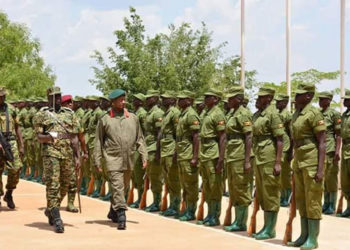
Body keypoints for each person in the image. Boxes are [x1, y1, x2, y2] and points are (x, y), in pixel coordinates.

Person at [94, 89, 147, 230]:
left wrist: (144, 155)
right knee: (117, 186)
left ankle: (113, 210)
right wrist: (97, 160)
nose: (123, 102)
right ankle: (122, 215)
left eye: (124, 99)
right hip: (112, 158)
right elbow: (98, 141)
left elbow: (140, 138)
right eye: (120, 100)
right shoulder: (105, 119)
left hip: (129, 158)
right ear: (113, 102)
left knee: (124, 188)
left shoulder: (133, 118)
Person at [34, 86, 81, 233]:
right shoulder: (42, 115)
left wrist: (78, 156)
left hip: (67, 153)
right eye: (55, 97)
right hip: (51, 153)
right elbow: (39, 137)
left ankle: (50, 209)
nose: (58, 99)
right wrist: (49, 137)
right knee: (53, 185)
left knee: (65, 184)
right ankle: (57, 217)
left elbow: (74, 137)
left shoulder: (69, 114)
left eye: (59, 96)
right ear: (49, 99)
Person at [288, 83, 326, 249]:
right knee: (301, 199)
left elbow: (322, 142)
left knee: (313, 200)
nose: (296, 98)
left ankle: (313, 238)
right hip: (299, 158)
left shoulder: (314, 113)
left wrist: (320, 169)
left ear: (309, 96)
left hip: (311, 158)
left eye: (300, 95)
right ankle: (304, 235)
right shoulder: (297, 113)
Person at [252, 87, 284, 240]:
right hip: (259, 155)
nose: (258, 99)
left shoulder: (273, 114)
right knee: (263, 192)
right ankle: (266, 226)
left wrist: (278, 162)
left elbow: (279, 140)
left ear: (270, 98)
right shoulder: (257, 115)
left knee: (270, 192)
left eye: (262, 97)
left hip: (269, 156)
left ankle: (270, 228)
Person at [224, 85, 253, 232]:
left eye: (231, 98)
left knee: (241, 188)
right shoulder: (232, 113)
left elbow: (248, 137)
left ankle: (241, 222)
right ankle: (237, 219)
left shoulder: (243, 114)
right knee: (234, 188)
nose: (228, 100)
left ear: (239, 99)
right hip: (232, 154)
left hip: (240, 155)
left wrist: (247, 160)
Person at [199, 88, 226, 226]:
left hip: (213, 151)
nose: (205, 99)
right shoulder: (206, 112)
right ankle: (209, 214)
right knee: (207, 185)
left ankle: (215, 216)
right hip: (204, 151)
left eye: (209, 97)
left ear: (216, 99)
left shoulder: (218, 114)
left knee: (215, 185)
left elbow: (222, 137)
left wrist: (221, 159)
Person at [176, 90, 200, 221]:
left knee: (191, 184)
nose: (179, 101)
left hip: (188, 153)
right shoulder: (183, 114)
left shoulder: (191, 115)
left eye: (182, 99)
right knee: (184, 184)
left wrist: (195, 157)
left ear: (189, 101)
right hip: (182, 152)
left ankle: (191, 211)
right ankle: (186, 209)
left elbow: (196, 137)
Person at [0, 86, 24, 209]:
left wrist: (21, 145)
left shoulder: (11, 109)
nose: (1, 98)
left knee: (16, 168)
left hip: (11, 141)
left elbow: (18, 127)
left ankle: (9, 193)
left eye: (3, 96)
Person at [318, 91, 341, 215]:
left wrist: (337, 151)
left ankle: (332, 204)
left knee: (331, 178)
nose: (320, 101)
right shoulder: (318, 114)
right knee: (324, 178)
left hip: (331, 149)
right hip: (321, 150)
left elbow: (338, 135)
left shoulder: (334, 114)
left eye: (322, 99)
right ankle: (326, 203)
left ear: (329, 100)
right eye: (319, 99)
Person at [159, 91, 181, 217]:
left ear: (173, 100)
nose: (163, 100)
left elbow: (178, 134)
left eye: (166, 99)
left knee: (173, 178)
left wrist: (175, 151)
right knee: (168, 178)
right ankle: (172, 204)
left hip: (171, 146)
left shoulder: (175, 113)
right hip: (165, 146)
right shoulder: (166, 113)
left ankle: (175, 206)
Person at [143, 90, 164, 212]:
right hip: (148, 147)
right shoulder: (150, 113)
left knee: (156, 176)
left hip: (153, 148)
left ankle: (157, 202)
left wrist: (157, 151)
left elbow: (160, 133)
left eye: (149, 98)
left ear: (155, 99)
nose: (147, 100)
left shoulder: (157, 113)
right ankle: (155, 201)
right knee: (151, 175)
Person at [129, 93, 147, 208]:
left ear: (140, 102)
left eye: (135, 100)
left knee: (139, 175)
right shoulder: (135, 113)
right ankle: (137, 197)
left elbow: (144, 132)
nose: (133, 101)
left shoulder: (142, 114)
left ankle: (141, 198)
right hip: (132, 146)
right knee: (134, 174)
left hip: (138, 147)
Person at [275, 94, 293, 207]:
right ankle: (281, 196)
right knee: (280, 174)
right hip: (279, 148)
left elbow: (291, 135)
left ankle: (287, 197)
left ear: (285, 103)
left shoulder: (287, 115)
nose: (277, 103)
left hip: (286, 147)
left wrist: (291, 151)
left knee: (285, 174)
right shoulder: (277, 114)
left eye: (279, 101)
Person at [339, 89, 350, 218]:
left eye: (347, 99)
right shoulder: (344, 115)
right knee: (346, 180)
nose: (345, 101)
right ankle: (348, 207)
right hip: (345, 147)